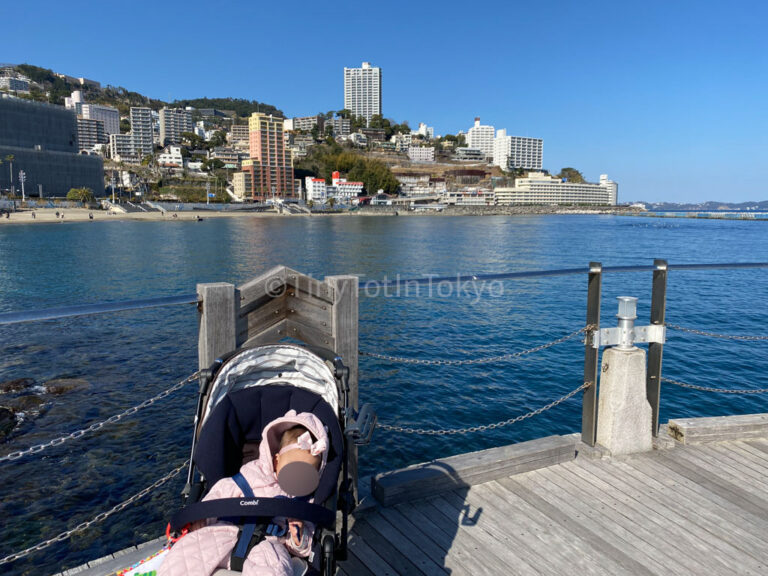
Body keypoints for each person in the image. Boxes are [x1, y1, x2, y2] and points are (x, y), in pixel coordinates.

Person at [158, 410, 329, 576]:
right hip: (224, 532)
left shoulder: (303, 502)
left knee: (274, 568)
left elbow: (304, 548)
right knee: (187, 555)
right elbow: (219, 495)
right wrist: (202, 518)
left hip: (268, 545)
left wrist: (297, 535)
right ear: (276, 461)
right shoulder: (250, 476)